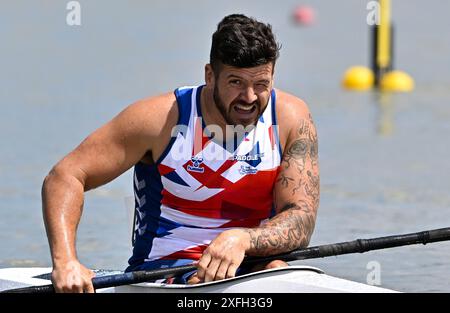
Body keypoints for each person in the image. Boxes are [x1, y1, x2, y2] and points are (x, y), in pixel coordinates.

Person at [42, 13, 320, 293]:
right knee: (220, 280)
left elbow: (301, 217)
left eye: (261, 84)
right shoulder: (158, 119)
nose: (249, 98)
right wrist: (66, 261)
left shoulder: (291, 117)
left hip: (256, 264)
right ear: (210, 76)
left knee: (278, 271)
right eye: (235, 82)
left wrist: (243, 239)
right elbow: (66, 175)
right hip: (167, 270)